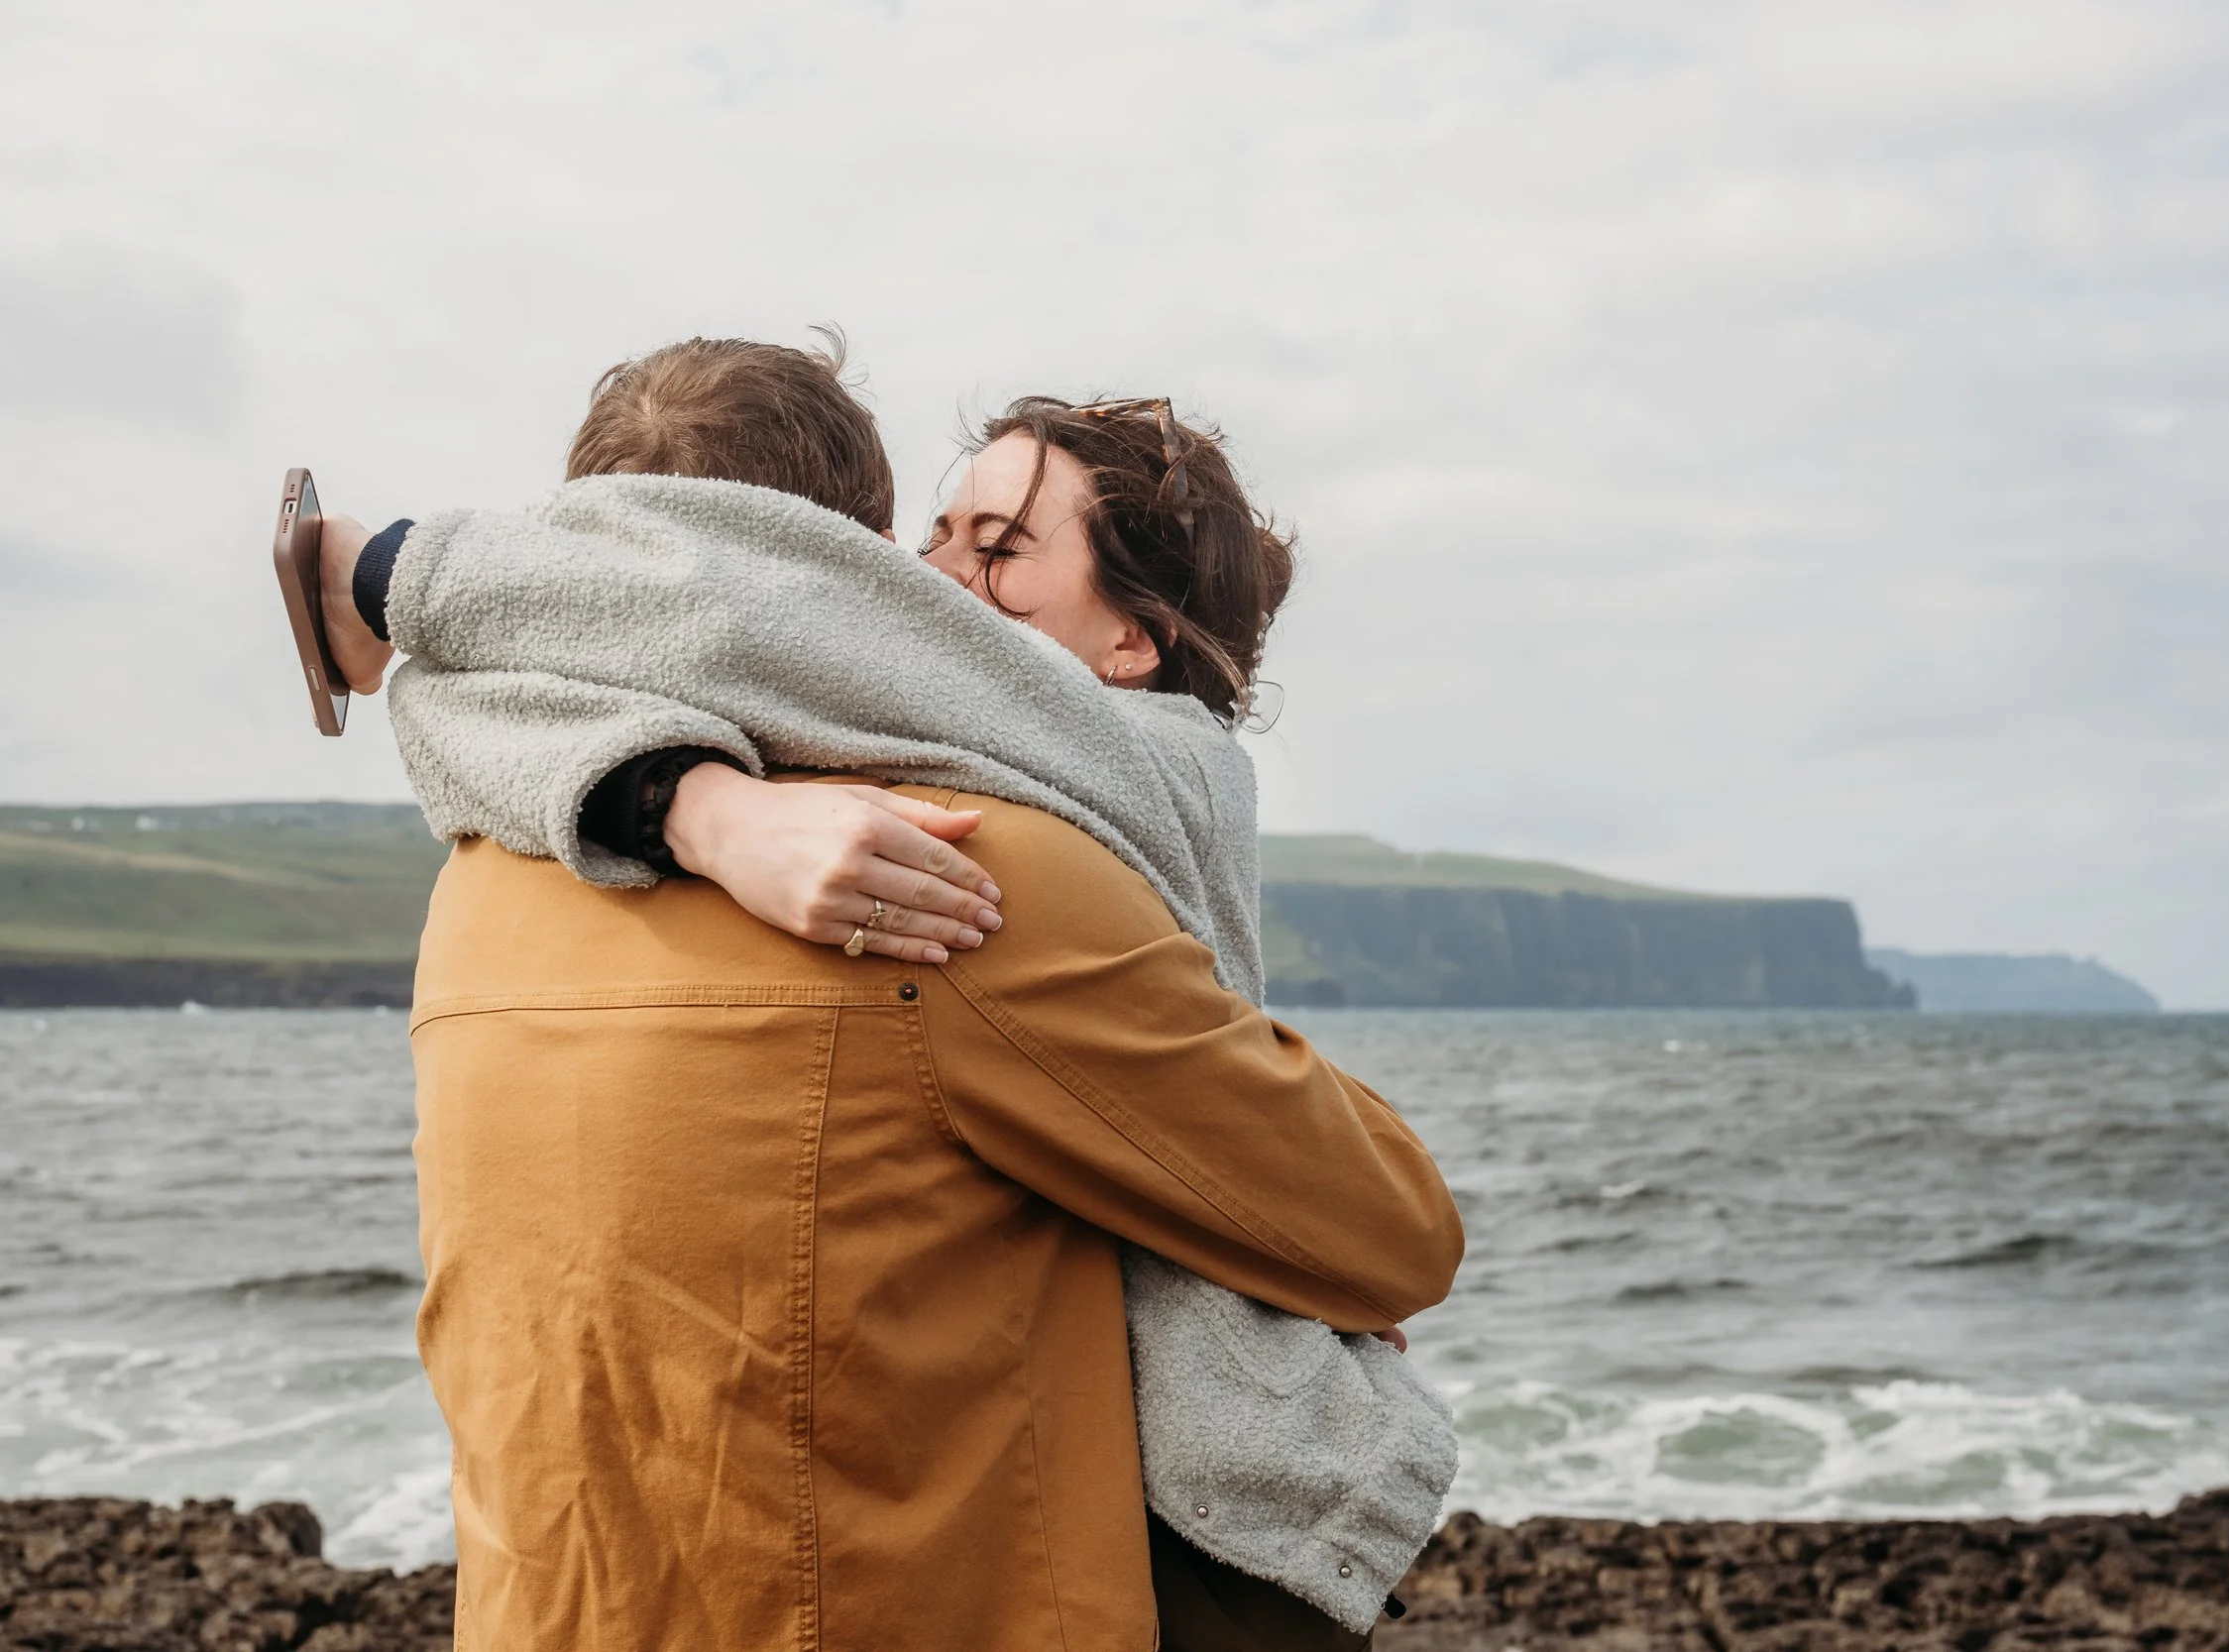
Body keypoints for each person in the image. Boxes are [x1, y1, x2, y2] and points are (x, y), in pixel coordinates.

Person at [313, 336, 1464, 1649]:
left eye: (1000, 543)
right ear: (833, 569)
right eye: (930, 537)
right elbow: (1391, 1231)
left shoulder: (490, 867)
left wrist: (674, 790)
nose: (933, 588)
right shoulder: (950, 872)